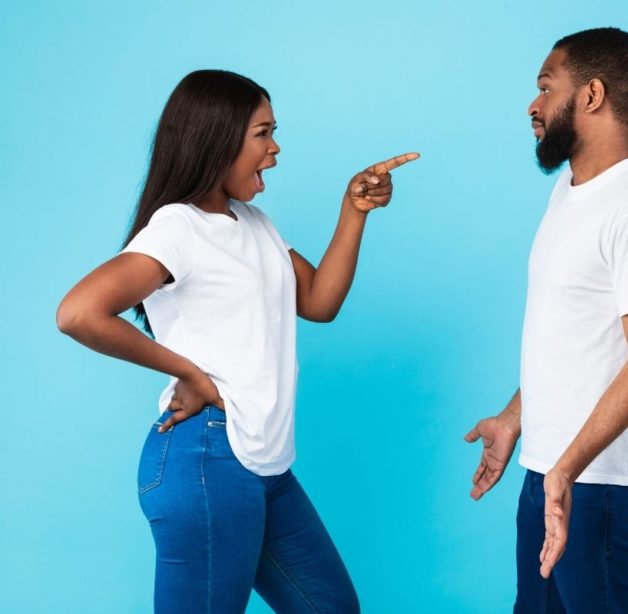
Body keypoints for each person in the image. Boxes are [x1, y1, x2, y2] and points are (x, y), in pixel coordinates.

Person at [56, 69, 418, 613]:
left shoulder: (255, 223)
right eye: (263, 134)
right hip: (206, 459)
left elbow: (318, 302)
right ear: (218, 140)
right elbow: (79, 312)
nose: (275, 149)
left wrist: (353, 212)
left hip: (264, 466)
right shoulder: (177, 229)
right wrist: (190, 371)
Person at [465, 28, 628, 613]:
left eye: (545, 88)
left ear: (591, 95)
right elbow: (572, 336)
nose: (533, 106)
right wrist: (516, 418)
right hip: (553, 469)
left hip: (605, 485)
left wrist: (565, 469)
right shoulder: (571, 191)